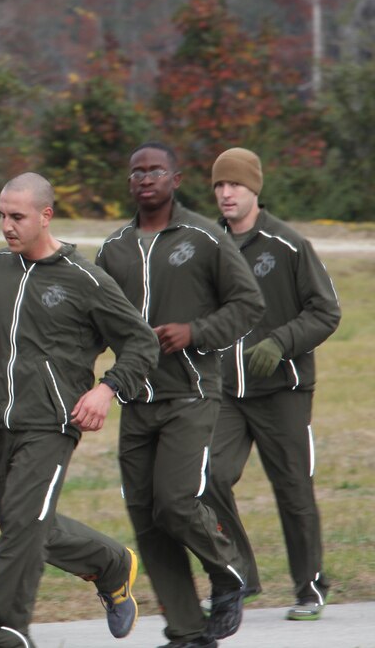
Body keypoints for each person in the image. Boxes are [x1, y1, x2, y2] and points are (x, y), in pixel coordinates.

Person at [0, 173, 157, 648]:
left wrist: (107, 389)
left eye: (17, 217)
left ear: (45, 216)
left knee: (17, 539)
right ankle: (112, 565)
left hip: (52, 426)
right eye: (1, 215)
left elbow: (141, 342)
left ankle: (9, 633)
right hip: (0, 422)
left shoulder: (85, 279)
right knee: (31, 529)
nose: (6, 225)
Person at [95, 142, 265, 648]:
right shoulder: (114, 248)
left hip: (191, 393)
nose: (145, 178)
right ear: (130, 182)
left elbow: (248, 303)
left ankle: (230, 569)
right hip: (136, 399)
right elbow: (98, 324)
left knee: (175, 502)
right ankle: (188, 630)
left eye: (155, 170)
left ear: (176, 177)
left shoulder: (205, 237)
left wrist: (197, 332)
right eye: (136, 171)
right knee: (147, 520)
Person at [203, 148, 340, 621]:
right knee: (207, 478)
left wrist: (281, 342)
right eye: (219, 185)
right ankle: (239, 576)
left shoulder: (289, 245)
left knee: (293, 490)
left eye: (234, 185)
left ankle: (310, 589)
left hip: (284, 391)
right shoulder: (204, 243)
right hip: (224, 394)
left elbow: (326, 311)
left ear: (255, 189)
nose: (225, 193)